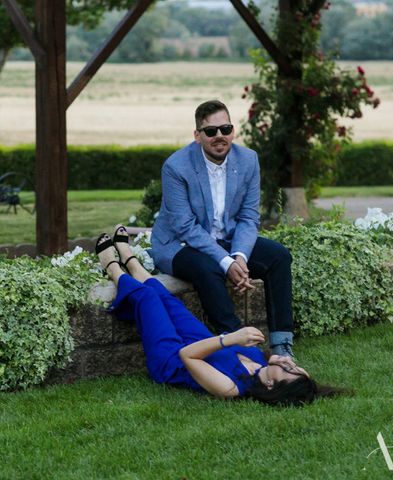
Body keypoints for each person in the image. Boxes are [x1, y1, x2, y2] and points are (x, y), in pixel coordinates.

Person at [98, 226, 342, 406]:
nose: (291, 363)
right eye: (297, 367)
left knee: (147, 299)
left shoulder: (231, 388)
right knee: (168, 301)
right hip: (199, 340)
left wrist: (232, 338)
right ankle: (131, 262)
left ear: (271, 386)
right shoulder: (259, 360)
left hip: (172, 358)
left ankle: (112, 266)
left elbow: (187, 356)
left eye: (291, 371)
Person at [149, 100, 296, 357]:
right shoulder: (175, 167)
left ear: (233, 131)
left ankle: (282, 345)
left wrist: (239, 257)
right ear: (197, 136)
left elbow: (249, 218)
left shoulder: (248, 160)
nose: (219, 136)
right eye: (211, 131)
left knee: (278, 256)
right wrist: (226, 263)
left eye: (225, 129)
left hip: (225, 240)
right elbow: (185, 227)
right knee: (208, 269)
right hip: (179, 245)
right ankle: (240, 345)